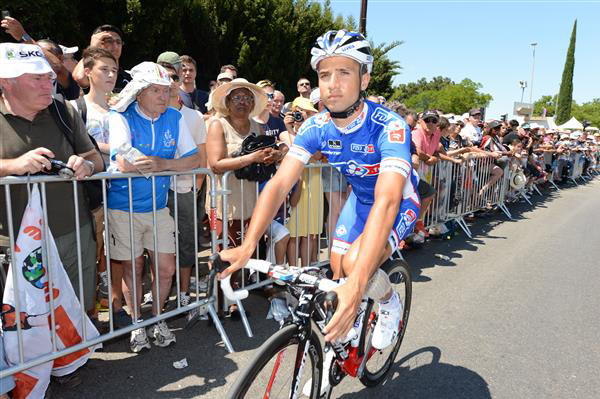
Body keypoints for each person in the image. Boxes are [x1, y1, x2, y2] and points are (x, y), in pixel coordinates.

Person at [218, 30, 420, 395]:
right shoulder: (316, 127)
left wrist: (358, 287)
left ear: (365, 78)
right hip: (359, 202)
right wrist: (248, 245)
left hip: (395, 203)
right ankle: (347, 337)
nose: (333, 84)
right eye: (325, 75)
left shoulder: (389, 126)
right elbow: (279, 185)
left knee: (359, 265)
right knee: (338, 266)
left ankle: (388, 302)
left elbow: (388, 200)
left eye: (344, 72)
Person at [0, 43, 104, 315]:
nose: (48, 84)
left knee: (75, 314)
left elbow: (96, 158)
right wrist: (13, 165)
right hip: (14, 242)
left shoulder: (64, 111)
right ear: (7, 82)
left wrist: (87, 166)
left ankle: (77, 358)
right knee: (24, 323)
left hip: (73, 234)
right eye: (37, 78)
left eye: (48, 77)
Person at [107, 61, 201, 352]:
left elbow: (193, 159)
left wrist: (161, 164)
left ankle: (158, 318)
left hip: (159, 207)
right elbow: (123, 161)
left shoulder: (174, 117)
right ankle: (137, 324)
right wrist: (165, 165)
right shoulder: (120, 115)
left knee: (166, 267)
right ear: (139, 93)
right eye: (157, 91)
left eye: (166, 91)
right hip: (124, 207)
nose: (164, 97)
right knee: (133, 267)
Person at [69, 46, 119, 322]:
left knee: (119, 256)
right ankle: (88, 315)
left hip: (122, 191)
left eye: (114, 70)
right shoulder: (75, 108)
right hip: (93, 195)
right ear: (87, 72)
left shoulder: (123, 107)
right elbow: (78, 147)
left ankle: (112, 306)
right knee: (92, 254)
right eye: (104, 69)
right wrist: (114, 148)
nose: (111, 75)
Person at [158, 62, 208, 323]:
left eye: (172, 79)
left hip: (186, 190)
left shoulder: (194, 117)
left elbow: (202, 157)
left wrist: (194, 190)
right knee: (158, 247)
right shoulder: (149, 116)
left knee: (187, 243)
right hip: (156, 193)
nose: (168, 85)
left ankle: (185, 294)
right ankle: (161, 297)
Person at [284, 97, 324, 267]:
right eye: (299, 112)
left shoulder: (316, 133)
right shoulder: (285, 134)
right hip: (297, 184)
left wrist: (304, 128)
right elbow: (294, 151)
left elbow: (315, 155)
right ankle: (293, 271)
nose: (302, 116)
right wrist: (291, 129)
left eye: (307, 113)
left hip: (314, 183)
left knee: (310, 232)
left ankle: (307, 271)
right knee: (294, 232)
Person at [72, 24, 130, 92]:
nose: (115, 46)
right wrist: (93, 48)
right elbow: (79, 78)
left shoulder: (130, 78)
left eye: (118, 42)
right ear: (98, 43)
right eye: (109, 41)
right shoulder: (93, 74)